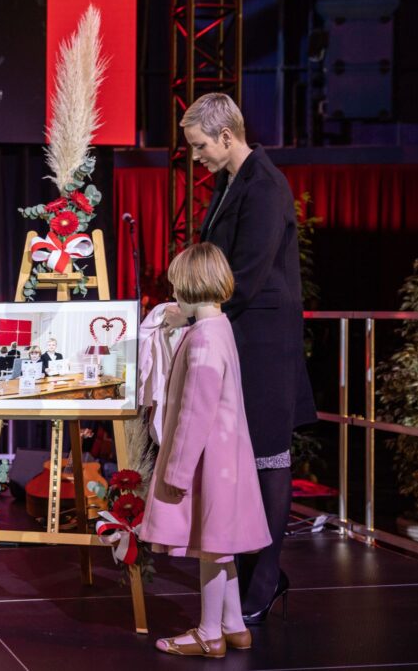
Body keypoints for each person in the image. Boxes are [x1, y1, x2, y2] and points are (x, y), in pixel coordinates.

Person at [167, 92, 317, 623]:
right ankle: (256, 572)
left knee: (269, 462)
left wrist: (189, 314)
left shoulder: (265, 186)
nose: (196, 155)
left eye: (200, 145)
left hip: (264, 350)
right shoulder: (234, 183)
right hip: (240, 340)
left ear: (227, 136)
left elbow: (244, 276)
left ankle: (267, 578)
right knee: (250, 464)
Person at [140, 243, 272, 658]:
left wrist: (176, 474)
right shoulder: (220, 329)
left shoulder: (202, 341)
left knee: (210, 548)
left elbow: (195, 413)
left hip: (206, 462)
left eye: (178, 287)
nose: (174, 294)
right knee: (220, 544)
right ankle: (233, 625)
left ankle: (208, 632)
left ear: (191, 287)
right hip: (226, 458)